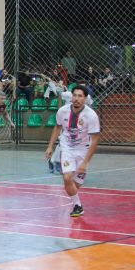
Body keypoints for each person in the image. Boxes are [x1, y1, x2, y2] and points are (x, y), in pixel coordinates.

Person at [44, 85, 100, 218]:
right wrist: (50, 146)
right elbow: (57, 128)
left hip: (83, 149)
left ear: (85, 99)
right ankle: (78, 206)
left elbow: (95, 140)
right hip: (67, 147)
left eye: (80, 96)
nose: (76, 99)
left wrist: (85, 162)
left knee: (75, 184)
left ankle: (76, 199)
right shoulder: (62, 111)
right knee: (67, 177)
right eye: (75, 95)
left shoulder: (91, 116)